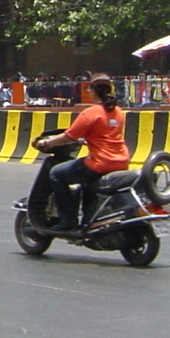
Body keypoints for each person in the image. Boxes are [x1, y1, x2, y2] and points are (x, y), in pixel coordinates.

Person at [34, 73, 131, 233]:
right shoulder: (118, 111)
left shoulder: (91, 113)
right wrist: (85, 140)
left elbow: (68, 136)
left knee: (56, 174)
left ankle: (68, 221)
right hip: (121, 161)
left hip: (100, 163)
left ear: (92, 90)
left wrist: (46, 143)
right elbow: (106, 135)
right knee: (87, 181)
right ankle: (88, 219)